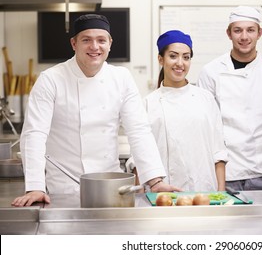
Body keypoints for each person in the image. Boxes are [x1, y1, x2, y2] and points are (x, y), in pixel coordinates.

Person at [12, 14, 180, 207]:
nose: (94, 47)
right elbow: (34, 134)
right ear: (74, 44)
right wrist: (35, 187)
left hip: (110, 184)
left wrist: (155, 181)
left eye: (101, 40)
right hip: (63, 187)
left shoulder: (121, 78)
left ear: (110, 43)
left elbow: (139, 130)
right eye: (86, 40)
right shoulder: (51, 79)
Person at [197, 6, 262, 191]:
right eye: (238, 30)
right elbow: (206, 126)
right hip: (227, 173)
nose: (244, 37)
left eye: (250, 30)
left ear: (259, 33)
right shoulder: (211, 72)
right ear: (229, 33)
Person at [143, 30, 228, 191]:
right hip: (163, 194)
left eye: (186, 57)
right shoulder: (149, 103)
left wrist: (221, 193)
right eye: (173, 56)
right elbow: (141, 157)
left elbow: (219, 153)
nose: (180, 63)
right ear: (161, 59)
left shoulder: (206, 99)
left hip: (205, 192)